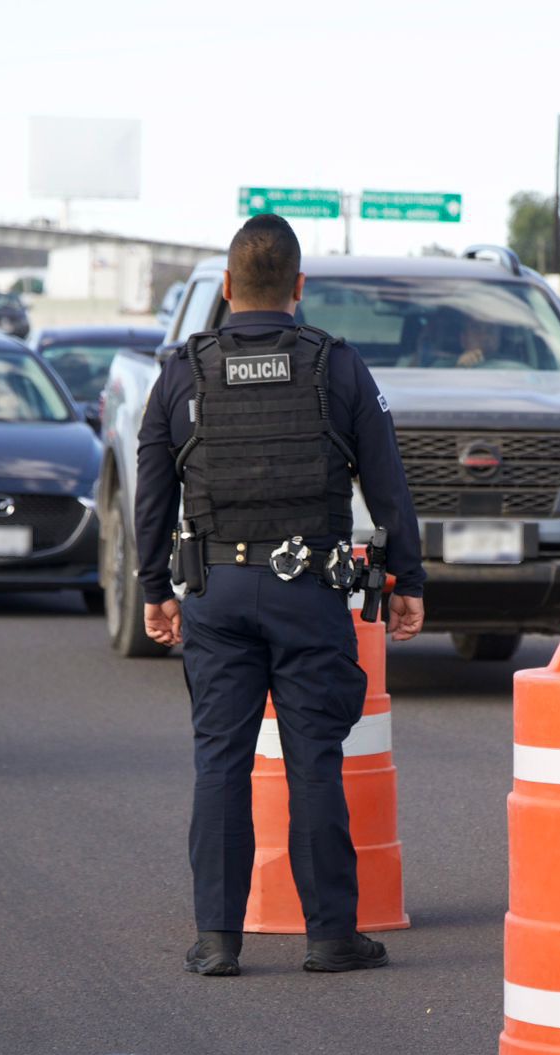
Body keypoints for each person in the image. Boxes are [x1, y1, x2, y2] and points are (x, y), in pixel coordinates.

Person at [135, 214, 425, 977]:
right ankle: (331, 936)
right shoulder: (335, 366)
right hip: (308, 595)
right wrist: (409, 580)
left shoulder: (182, 371)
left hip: (215, 593)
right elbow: (387, 483)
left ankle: (216, 941)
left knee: (220, 764)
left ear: (227, 289)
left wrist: (151, 589)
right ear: (299, 288)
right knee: (314, 764)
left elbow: (152, 493)